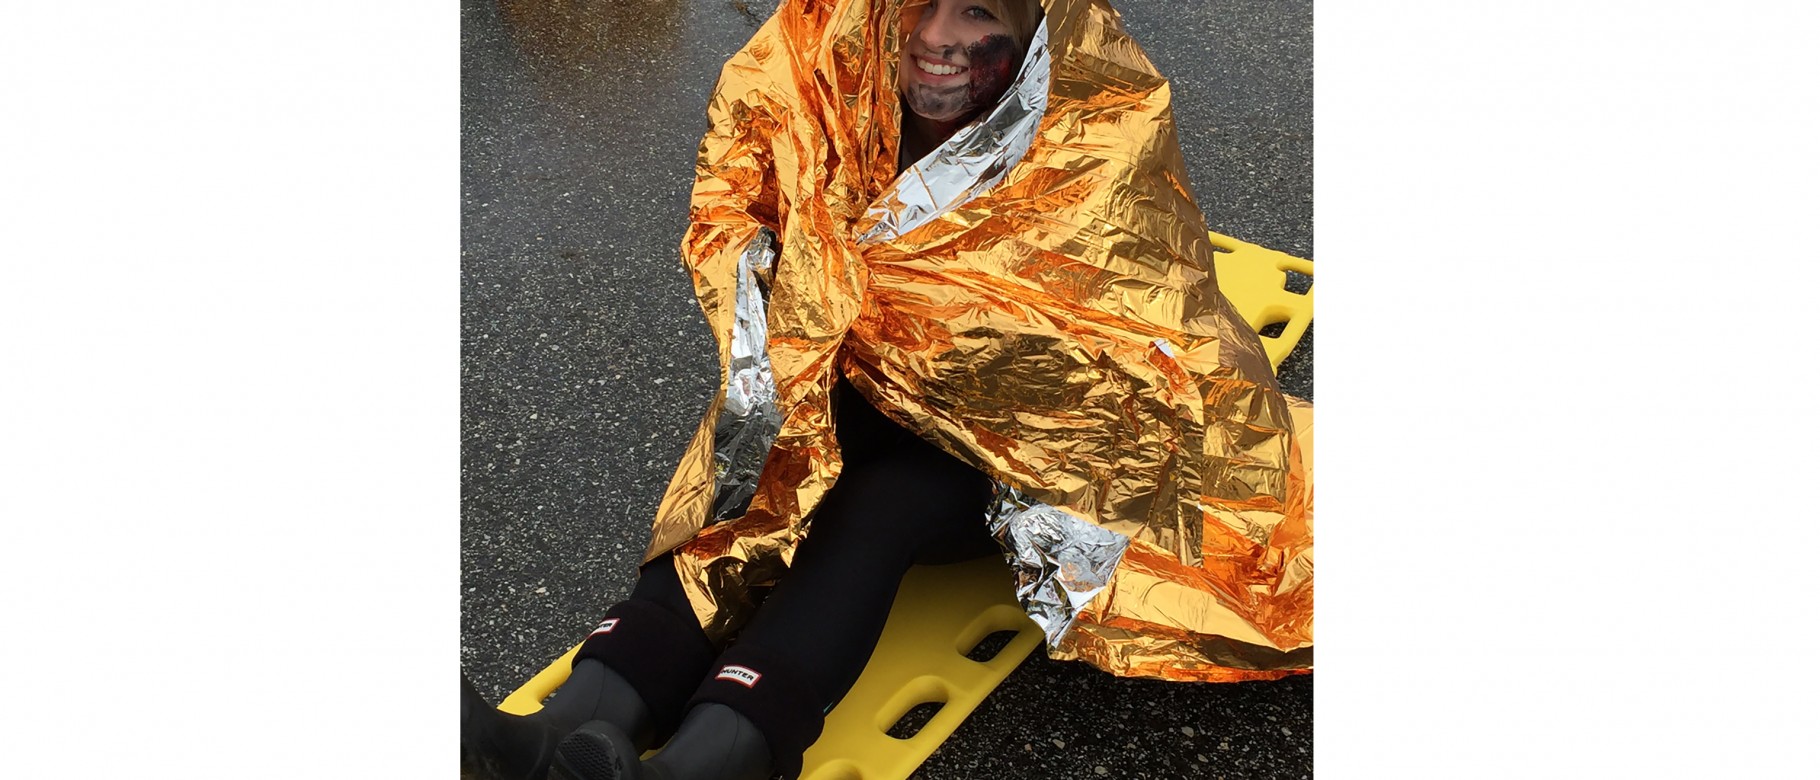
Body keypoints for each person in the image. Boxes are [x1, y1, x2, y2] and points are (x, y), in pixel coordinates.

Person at [463, 0, 1313, 778]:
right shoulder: (828, 49)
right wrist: (802, 303)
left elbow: (1112, 354)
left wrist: (899, 317)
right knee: (760, 463)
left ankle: (714, 755)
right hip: (859, 377)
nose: (937, 36)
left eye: (976, 10)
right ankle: (578, 723)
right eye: (919, 4)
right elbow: (737, 206)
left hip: (1030, 444)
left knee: (881, 504)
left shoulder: (1099, 121)